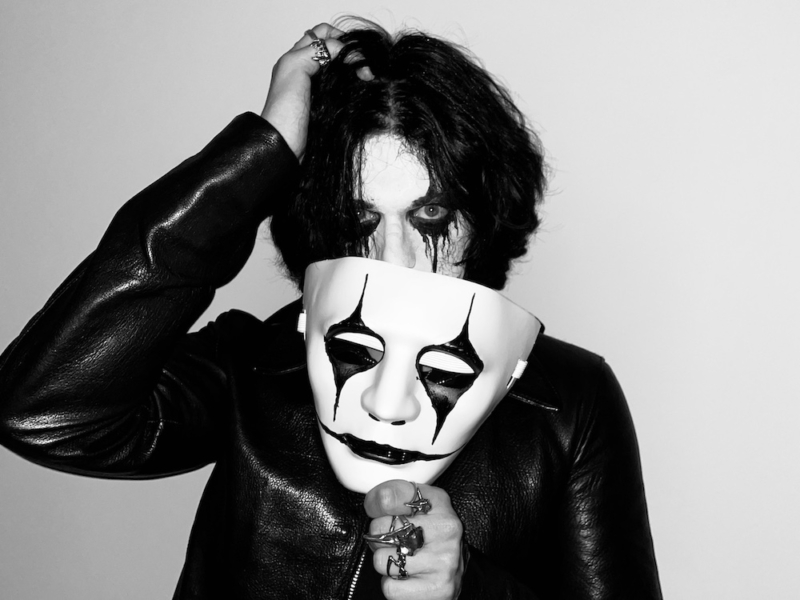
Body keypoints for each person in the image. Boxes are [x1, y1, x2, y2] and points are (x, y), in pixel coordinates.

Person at [0, 21, 662, 600]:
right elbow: (41, 409)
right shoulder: (258, 363)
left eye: (431, 213)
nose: (395, 257)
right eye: (360, 216)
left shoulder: (566, 403)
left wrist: (471, 585)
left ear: (483, 214)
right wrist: (263, 152)